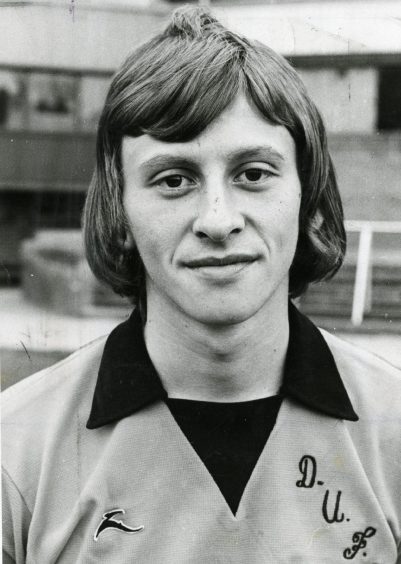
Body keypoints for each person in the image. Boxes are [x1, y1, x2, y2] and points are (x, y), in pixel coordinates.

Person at [2, 7, 401, 563]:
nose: (218, 219)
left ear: (305, 194)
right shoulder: (15, 451)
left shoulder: (395, 429)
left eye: (253, 174)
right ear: (121, 209)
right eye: (174, 179)